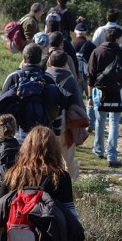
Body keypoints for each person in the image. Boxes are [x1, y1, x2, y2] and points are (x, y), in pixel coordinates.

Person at [0, 126, 84, 240]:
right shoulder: (59, 177)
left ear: (26, 147)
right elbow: (71, 215)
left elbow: (0, 211)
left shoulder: (10, 175)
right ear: (54, 149)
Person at [0, 43, 69, 143]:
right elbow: (57, 107)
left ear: (23, 59)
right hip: (43, 134)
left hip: (18, 134)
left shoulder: (13, 77)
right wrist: (57, 131)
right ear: (41, 59)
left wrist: (3, 137)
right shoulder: (48, 78)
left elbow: (3, 107)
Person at [88, 27, 122, 167]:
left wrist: (90, 96)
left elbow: (90, 77)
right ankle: (112, 155)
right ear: (118, 38)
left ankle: (98, 150)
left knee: (100, 121)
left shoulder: (96, 52)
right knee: (114, 123)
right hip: (117, 94)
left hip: (100, 93)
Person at [47, 50, 87, 179]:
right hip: (64, 123)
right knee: (68, 157)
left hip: (46, 121)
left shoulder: (44, 76)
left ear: (49, 62)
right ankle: (72, 186)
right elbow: (78, 104)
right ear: (65, 64)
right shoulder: (70, 80)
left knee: (48, 156)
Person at [46, 0, 84, 74]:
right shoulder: (66, 12)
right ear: (66, 0)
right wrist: (79, 22)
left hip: (49, 39)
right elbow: (73, 27)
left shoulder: (51, 10)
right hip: (62, 41)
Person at [72, 22, 96, 133]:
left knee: (77, 100)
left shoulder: (71, 44)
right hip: (89, 77)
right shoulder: (91, 46)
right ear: (86, 33)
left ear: (75, 32)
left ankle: (78, 123)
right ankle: (90, 125)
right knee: (90, 99)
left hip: (76, 76)